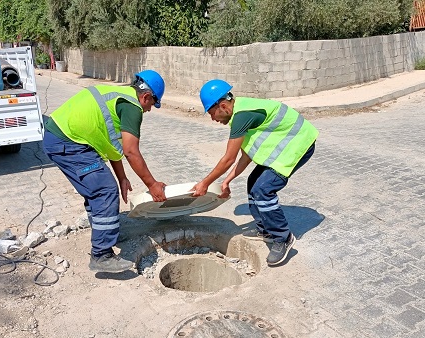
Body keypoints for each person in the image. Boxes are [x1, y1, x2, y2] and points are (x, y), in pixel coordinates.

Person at [42, 70, 167, 273]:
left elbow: (113, 147)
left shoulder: (118, 97)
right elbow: (131, 151)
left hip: (65, 140)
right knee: (104, 190)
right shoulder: (132, 107)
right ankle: (101, 255)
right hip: (68, 142)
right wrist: (152, 185)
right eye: (152, 104)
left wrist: (123, 178)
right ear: (146, 96)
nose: (149, 110)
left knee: (98, 188)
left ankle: (104, 233)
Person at [192, 79, 318, 266]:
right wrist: (227, 180)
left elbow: (228, 158)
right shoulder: (239, 113)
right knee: (253, 182)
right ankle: (265, 229)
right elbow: (246, 155)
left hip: (299, 146)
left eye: (212, 113)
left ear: (224, 106)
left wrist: (205, 183)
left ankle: (283, 238)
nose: (213, 119)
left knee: (263, 190)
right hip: (284, 148)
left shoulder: (242, 116)